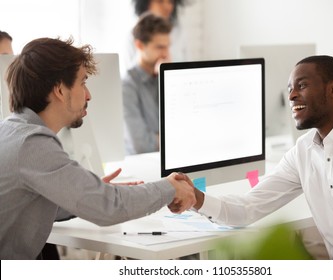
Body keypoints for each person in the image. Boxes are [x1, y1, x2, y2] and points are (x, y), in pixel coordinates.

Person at [0, 37, 196, 260]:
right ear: (60, 91)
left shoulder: (11, 130)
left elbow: (26, 205)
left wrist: (84, 194)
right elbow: (109, 207)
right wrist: (169, 188)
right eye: (83, 83)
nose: (89, 95)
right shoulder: (33, 144)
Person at [186, 55, 333, 260]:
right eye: (289, 88)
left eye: (301, 85)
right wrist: (195, 198)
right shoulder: (303, 150)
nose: (291, 95)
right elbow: (247, 208)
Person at [122, 13, 171, 154]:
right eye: (160, 47)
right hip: (142, 164)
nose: (166, 54)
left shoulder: (163, 76)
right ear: (139, 45)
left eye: (167, 47)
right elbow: (141, 144)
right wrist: (171, 140)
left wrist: (168, 78)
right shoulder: (127, 85)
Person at [123, 0, 187, 72]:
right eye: (160, 1)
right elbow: (130, 71)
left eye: (170, 2)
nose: (167, 7)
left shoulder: (179, 32)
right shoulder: (133, 35)